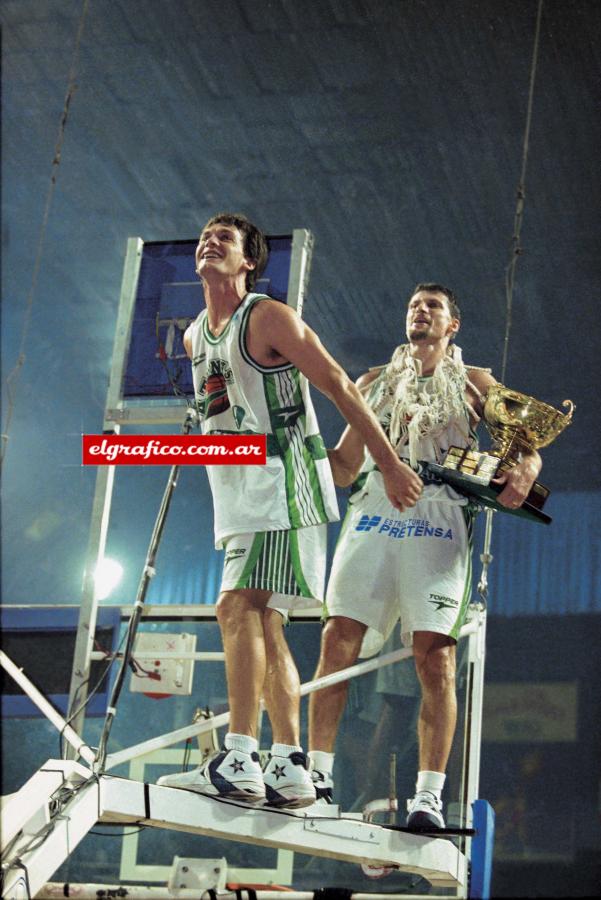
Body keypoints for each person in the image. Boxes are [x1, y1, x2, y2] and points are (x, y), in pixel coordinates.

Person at [158, 213, 422, 808]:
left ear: (248, 260)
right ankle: (288, 765)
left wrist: (389, 462)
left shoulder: (267, 316)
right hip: (239, 493)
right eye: (206, 234)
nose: (210, 241)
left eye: (225, 238)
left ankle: (241, 754)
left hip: (284, 484)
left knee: (235, 606)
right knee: (266, 623)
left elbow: (339, 386)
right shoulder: (197, 335)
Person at [308, 283, 542, 828]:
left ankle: (428, 797)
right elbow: (344, 465)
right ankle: (315, 776)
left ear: (451, 326)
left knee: (435, 657)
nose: (420, 311)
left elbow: (527, 441)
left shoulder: (475, 381)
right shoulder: (372, 382)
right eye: (414, 304)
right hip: (373, 511)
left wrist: (522, 472)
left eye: (432, 306)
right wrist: (292, 455)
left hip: (438, 518)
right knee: (336, 639)